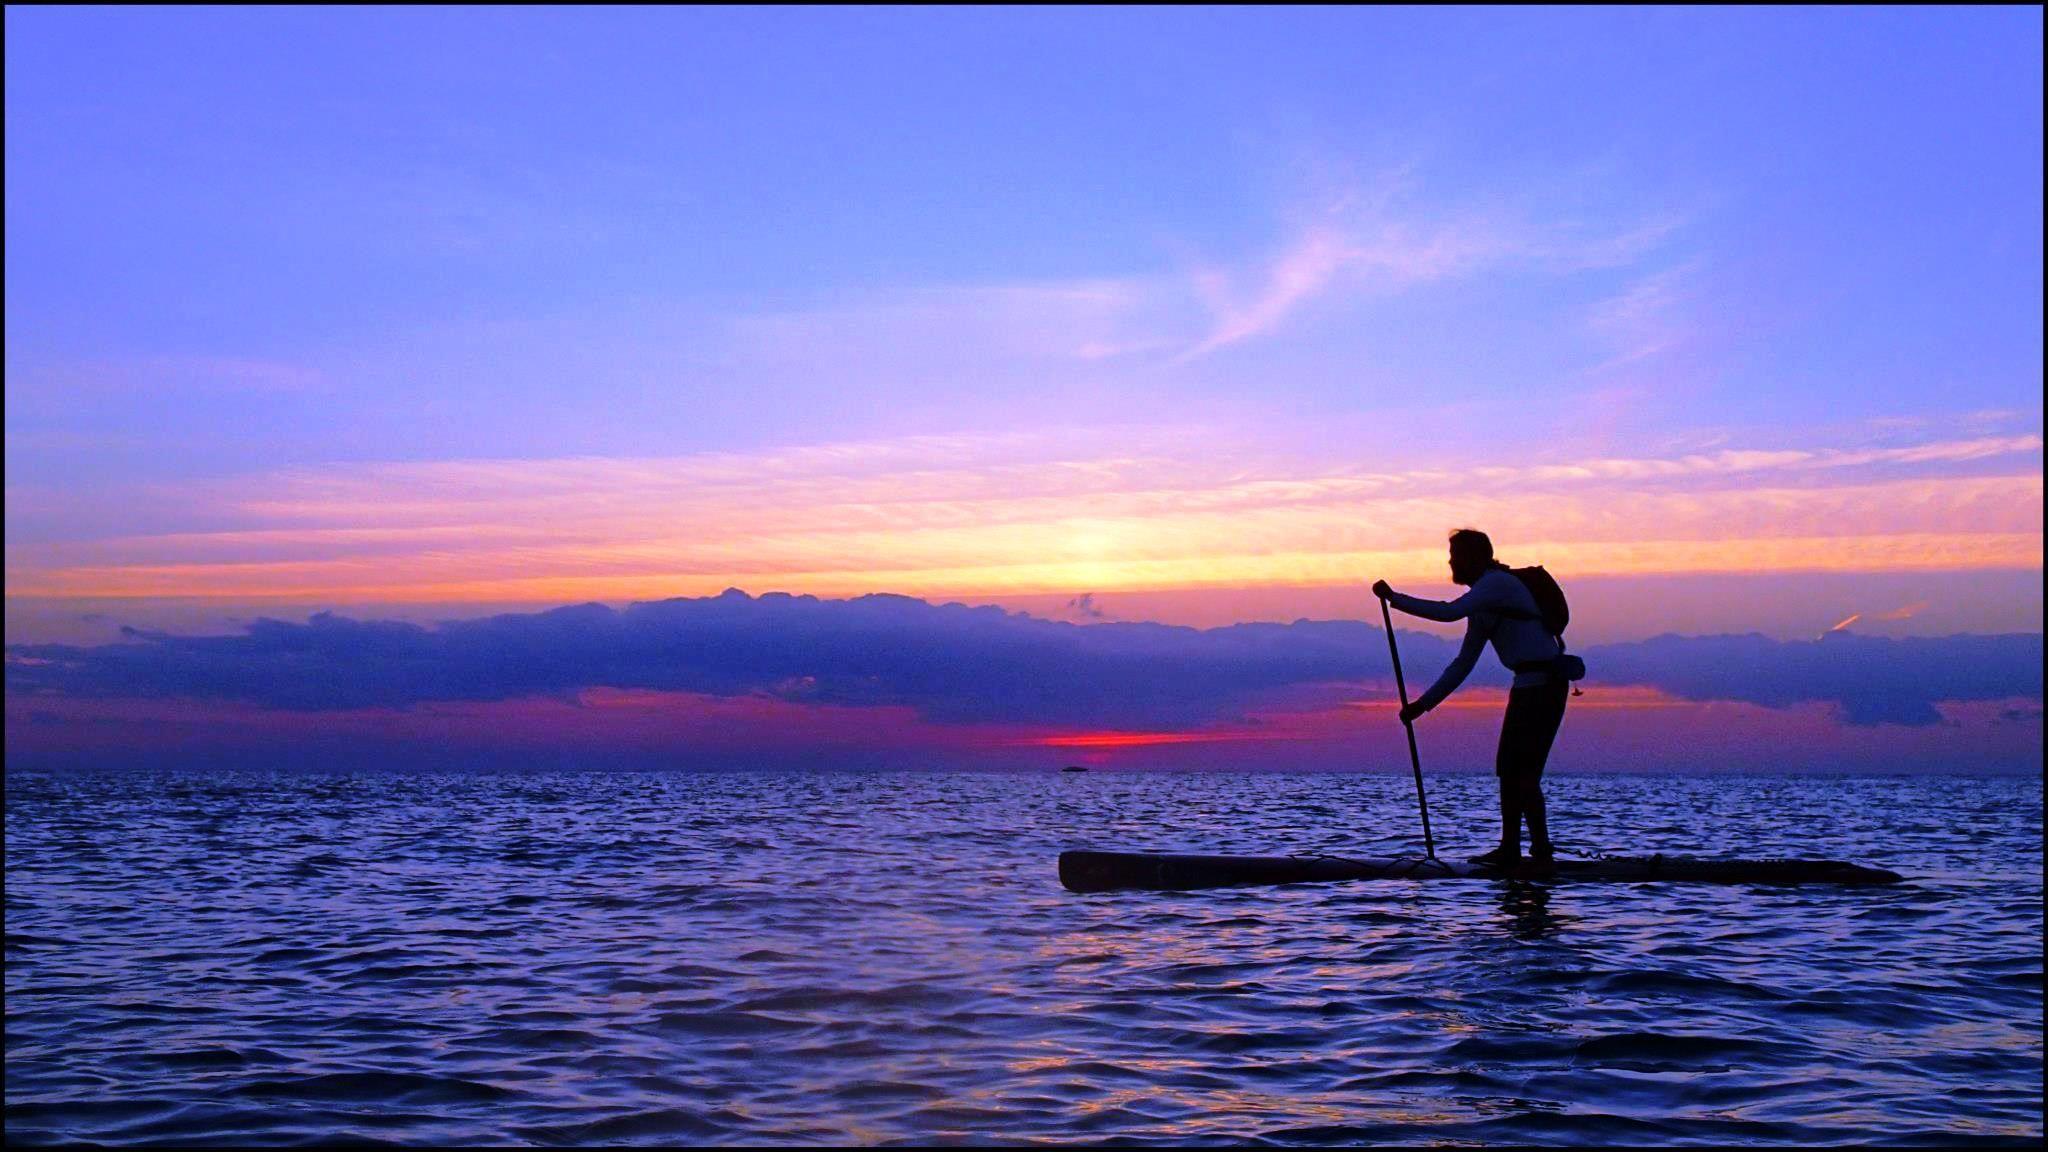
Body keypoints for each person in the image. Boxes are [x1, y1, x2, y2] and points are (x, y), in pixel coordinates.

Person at [1372, 529, 1569, 866]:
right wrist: (1421, 706)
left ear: (1474, 558)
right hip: (1526, 685)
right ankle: (1510, 848)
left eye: (1455, 555)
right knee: (1508, 769)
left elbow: (1448, 613)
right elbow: (1462, 664)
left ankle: (1540, 852)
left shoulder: (1496, 584)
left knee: (1523, 772)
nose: (1450, 562)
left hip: (1546, 684)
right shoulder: (1483, 602)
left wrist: (1394, 598)